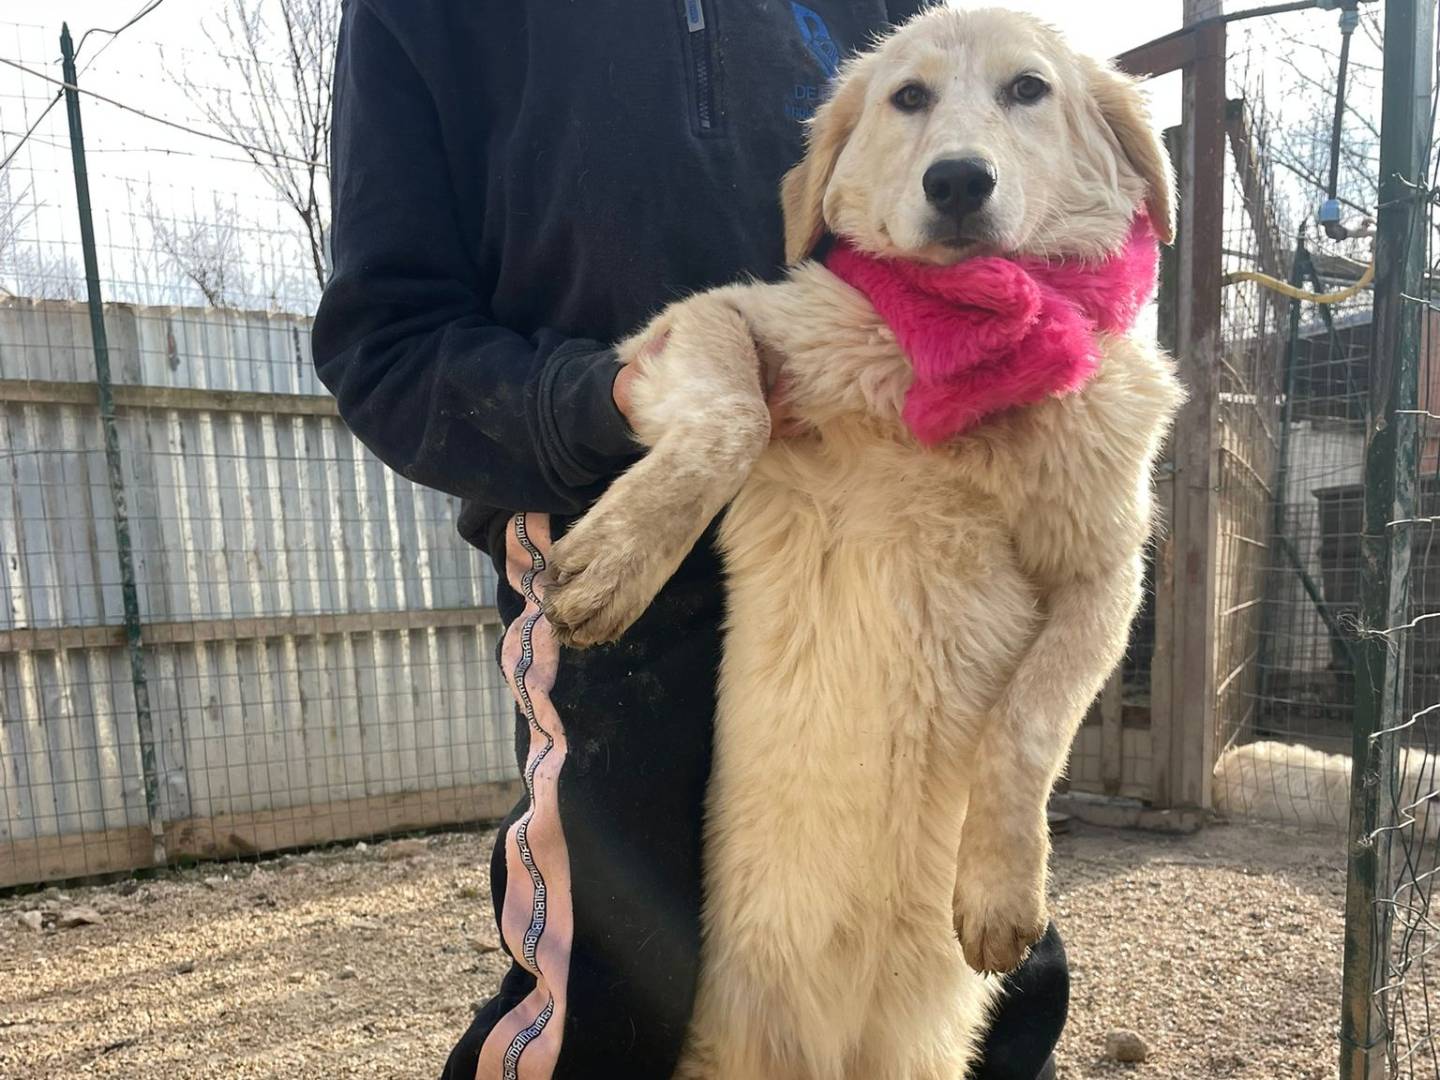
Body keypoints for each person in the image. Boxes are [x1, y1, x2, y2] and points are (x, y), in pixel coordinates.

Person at [312, 2, 1070, 1077]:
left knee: (974, 961)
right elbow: (386, 347)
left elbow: (1009, 196)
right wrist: (624, 399)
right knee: (622, 1002)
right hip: (624, 531)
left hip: (903, 514)